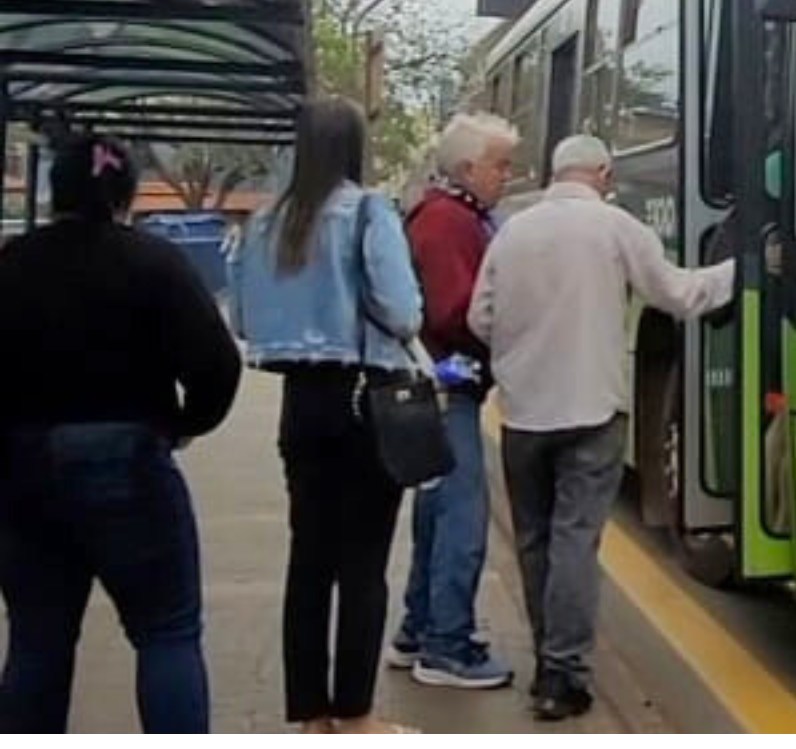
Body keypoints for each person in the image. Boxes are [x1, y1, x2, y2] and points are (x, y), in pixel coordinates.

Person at [470, 134, 733, 722]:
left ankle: (547, 660)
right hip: (590, 412)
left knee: (534, 540)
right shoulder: (616, 227)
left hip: (524, 416)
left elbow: (479, 317)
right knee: (574, 541)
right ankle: (563, 675)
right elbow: (680, 294)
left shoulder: (513, 232)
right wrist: (740, 270)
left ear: (555, 172)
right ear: (604, 175)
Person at [0, 135, 242, 734]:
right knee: (166, 632)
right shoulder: (154, 262)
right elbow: (217, 364)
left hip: (25, 466)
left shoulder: (13, 262)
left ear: (56, 191)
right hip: (129, 460)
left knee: (37, 640)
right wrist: (184, 424)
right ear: (125, 195)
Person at [229, 97, 424, 735]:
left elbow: (242, 320)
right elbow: (404, 313)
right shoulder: (368, 212)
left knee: (308, 558)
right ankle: (356, 714)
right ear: (353, 147)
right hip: (364, 399)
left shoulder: (263, 222)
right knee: (363, 564)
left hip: (301, 404)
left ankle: (310, 712)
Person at [387, 113, 518, 690]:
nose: (507, 176)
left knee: (436, 514)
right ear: (467, 168)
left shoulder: (436, 214)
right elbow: (453, 312)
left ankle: (419, 628)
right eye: (500, 165)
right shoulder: (451, 223)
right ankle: (447, 645)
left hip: (434, 383)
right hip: (448, 384)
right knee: (463, 518)